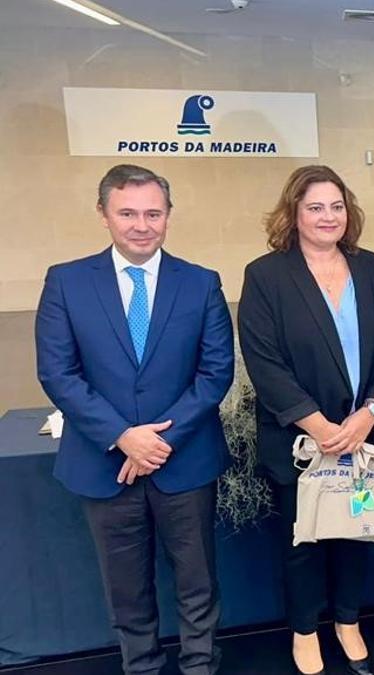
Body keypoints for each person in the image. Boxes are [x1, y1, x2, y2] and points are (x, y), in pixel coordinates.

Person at [35, 164, 233, 674]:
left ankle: (200, 667)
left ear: (168, 217)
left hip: (184, 461)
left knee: (198, 584)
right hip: (104, 465)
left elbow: (215, 374)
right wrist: (122, 436)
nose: (141, 225)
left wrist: (157, 442)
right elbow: (58, 372)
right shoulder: (67, 281)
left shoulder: (202, 282)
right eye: (127, 213)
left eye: (153, 213)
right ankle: (141, 668)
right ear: (103, 215)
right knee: (126, 590)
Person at [238, 165, 374, 675]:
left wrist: (370, 412)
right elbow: (264, 362)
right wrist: (321, 427)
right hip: (301, 441)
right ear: (294, 213)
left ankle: (347, 620)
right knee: (304, 542)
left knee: (357, 531)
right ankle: (305, 632)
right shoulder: (266, 276)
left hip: (364, 436)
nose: (327, 217)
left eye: (336, 206)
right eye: (315, 207)